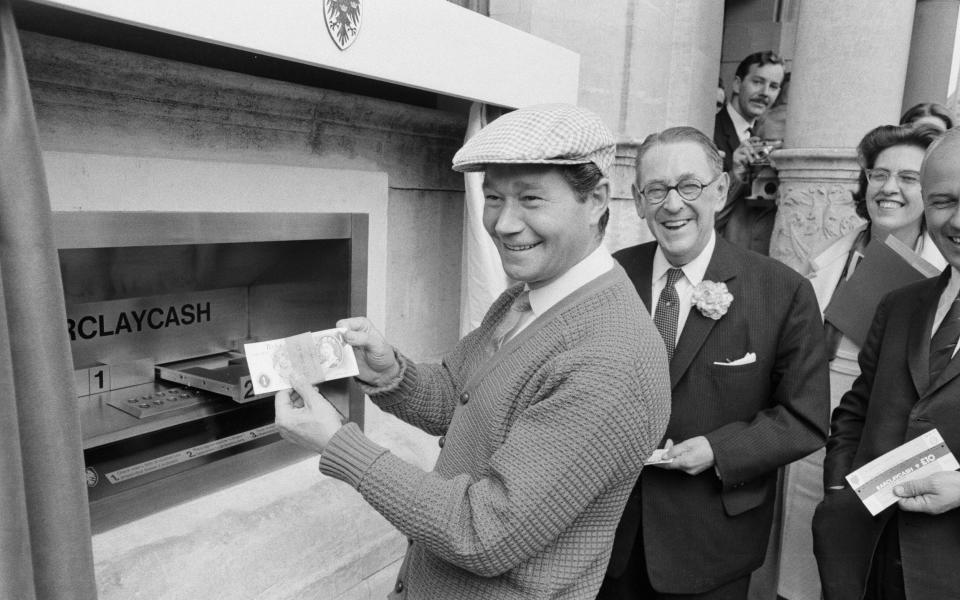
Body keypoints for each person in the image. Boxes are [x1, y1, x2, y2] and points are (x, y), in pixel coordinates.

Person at [274, 103, 673, 599]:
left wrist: (339, 444)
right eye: (493, 198)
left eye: (530, 198)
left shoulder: (612, 360)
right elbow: (460, 399)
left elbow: (482, 533)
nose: (504, 224)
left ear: (595, 199)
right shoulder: (528, 294)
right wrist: (390, 372)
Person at [598, 126, 829, 600]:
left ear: (721, 190)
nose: (673, 204)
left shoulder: (782, 292)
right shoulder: (610, 277)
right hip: (609, 536)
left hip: (711, 543)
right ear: (640, 201)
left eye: (689, 186)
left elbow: (804, 419)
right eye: (656, 190)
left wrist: (719, 450)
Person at [779, 123, 947, 600]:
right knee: (794, 573)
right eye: (879, 175)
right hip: (810, 431)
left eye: (909, 178)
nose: (889, 188)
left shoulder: (941, 277)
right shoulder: (829, 256)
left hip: (884, 450)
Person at [714, 51, 786, 255]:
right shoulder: (709, 129)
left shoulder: (765, 138)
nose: (765, 92)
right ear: (737, 84)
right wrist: (735, 174)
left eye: (773, 86)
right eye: (757, 82)